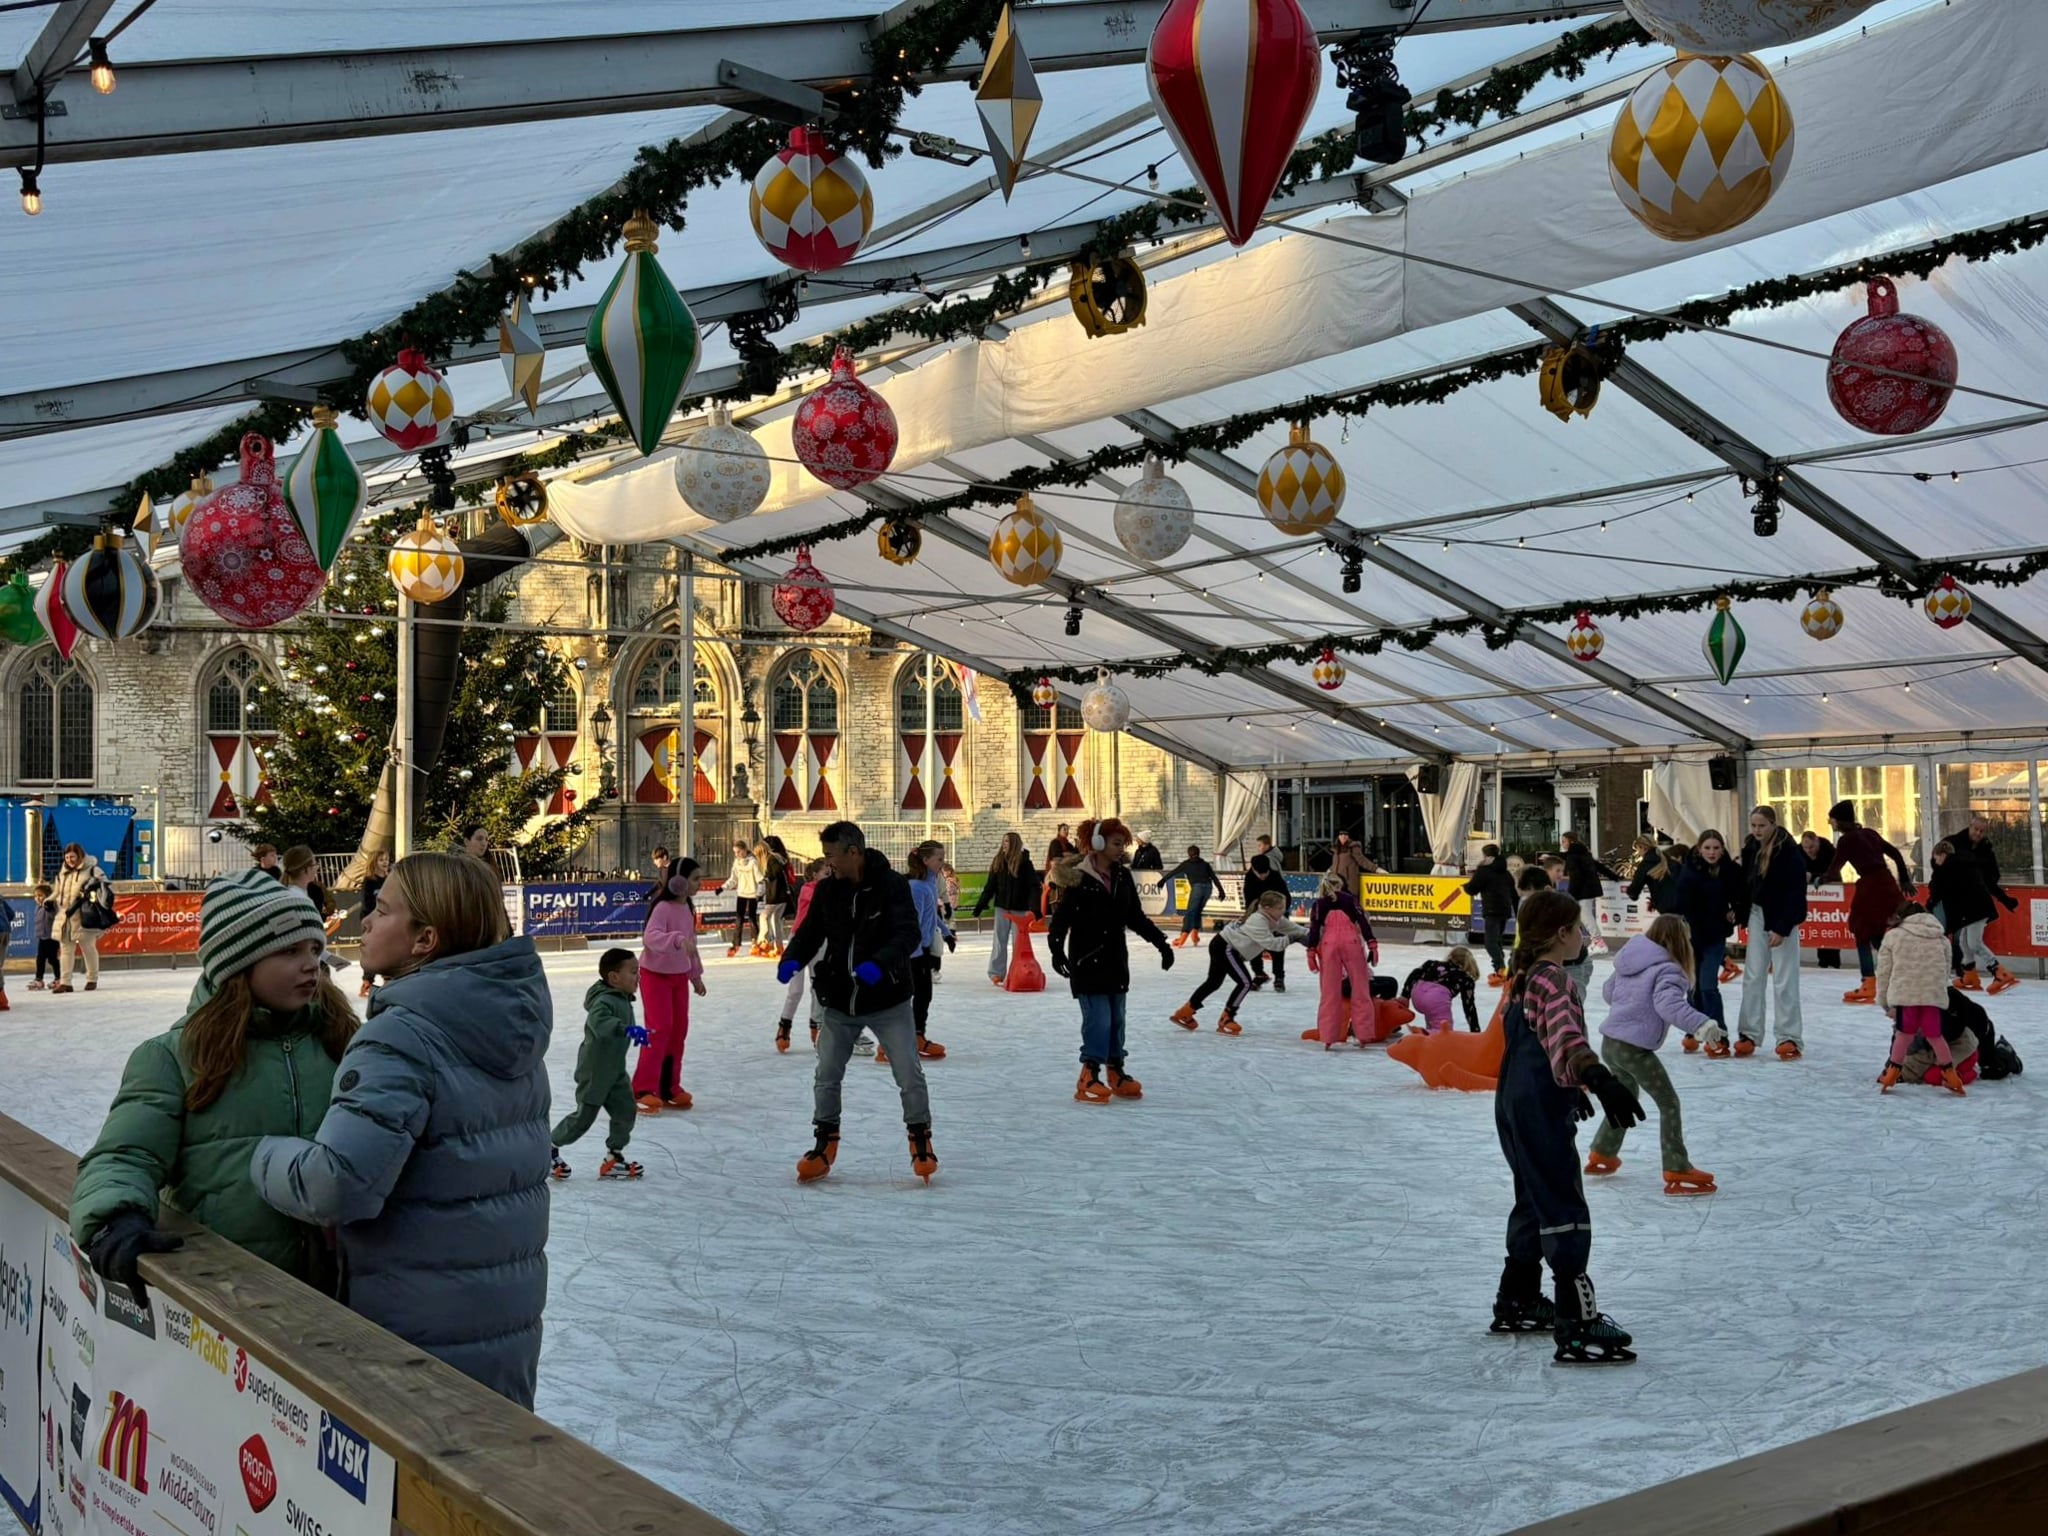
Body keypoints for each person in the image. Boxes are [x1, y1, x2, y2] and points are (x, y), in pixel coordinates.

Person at [251, 850, 553, 1408]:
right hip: (500, 1334)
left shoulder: (403, 1036)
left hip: (413, 1343)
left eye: (383, 910)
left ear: (425, 940)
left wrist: (261, 1154)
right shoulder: (508, 1031)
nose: (365, 920)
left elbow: (337, 1185)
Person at [70, 870, 354, 1301]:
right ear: (237, 963)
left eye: (315, 948)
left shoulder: (342, 1041)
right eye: (289, 950)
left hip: (341, 1293)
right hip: (228, 1291)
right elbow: (127, 1153)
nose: (310, 963)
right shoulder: (173, 1057)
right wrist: (118, 1216)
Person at [1489, 889, 1644, 1363]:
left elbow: (1541, 1042)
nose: (1582, 936)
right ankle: (1577, 1322)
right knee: (1561, 1201)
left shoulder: (1523, 976)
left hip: (1513, 1101)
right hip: (1536, 1107)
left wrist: (1571, 1087)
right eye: (1578, 928)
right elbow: (1566, 1036)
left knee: (1532, 1196)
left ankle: (1517, 1298)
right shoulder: (1553, 979)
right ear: (1561, 933)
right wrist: (1598, 1078)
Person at [776, 821, 938, 1182]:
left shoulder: (891, 885)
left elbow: (908, 933)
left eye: (830, 855)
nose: (827, 862)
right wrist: (792, 958)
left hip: (887, 998)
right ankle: (824, 1142)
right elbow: (810, 932)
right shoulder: (827, 890)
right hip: (839, 1000)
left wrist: (880, 964)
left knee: (908, 1072)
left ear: (853, 852)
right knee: (826, 1074)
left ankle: (920, 1138)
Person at [1584, 914, 1716, 1195]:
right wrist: (1702, 1025)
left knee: (1626, 1095)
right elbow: (1668, 1005)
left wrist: (1632, 997)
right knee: (1669, 1103)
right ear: (1679, 941)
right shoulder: (1668, 970)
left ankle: (1603, 1151)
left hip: (1611, 1044)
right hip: (1633, 1049)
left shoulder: (1630, 961)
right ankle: (1676, 1166)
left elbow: (1609, 992)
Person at [1047, 816, 1173, 1102]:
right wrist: (1056, 949)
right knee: (1099, 1020)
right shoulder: (1079, 878)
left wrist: (1161, 944)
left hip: (1115, 960)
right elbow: (1062, 919)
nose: (1121, 849)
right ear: (1098, 842)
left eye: (1123, 844)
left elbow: (1135, 917)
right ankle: (1088, 1075)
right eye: (1117, 843)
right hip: (1087, 961)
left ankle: (1116, 1070)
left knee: (1117, 1019)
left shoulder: (1122, 877)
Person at [551, 949, 649, 1181]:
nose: (638, 977)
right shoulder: (604, 1001)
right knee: (583, 1117)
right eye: (633, 972)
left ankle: (613, 1158)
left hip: (615, 1070)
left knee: (626, 1110)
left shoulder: (622, 998)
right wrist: (625, 1028)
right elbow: (599, 1022)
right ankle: (547, 1149)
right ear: (614, 978)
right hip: (595, 1070)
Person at [1169, 890, 1305, 1036]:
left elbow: (1296, 929)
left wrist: (1314, 934)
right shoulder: (1258, 920)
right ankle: (1227, 1018)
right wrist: (1293, 938)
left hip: (1221, 944)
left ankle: (1185, 1012)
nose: (1283, 911)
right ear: (1267, 908)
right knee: (1245, 983)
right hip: (1226, 947)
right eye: (1280, 908)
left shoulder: (1273, 918)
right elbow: (1272, 944)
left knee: (1213, 982)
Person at [1735, 806, 1808, 1059]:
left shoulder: (1788, 851)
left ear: (1773, 824)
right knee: (1753, 975)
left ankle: (1789, 1037)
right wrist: (1739, 911)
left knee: (1785, 978)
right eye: (1753, 825)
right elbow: (1745, 883)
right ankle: (1749, 1033)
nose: (1757, 830)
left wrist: (1782, 927)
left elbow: (1795, 892)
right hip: (1757, 913)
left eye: (1762, 825)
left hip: (1781, 917)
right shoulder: (1750, 847)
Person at [635, 856, 705, 1112]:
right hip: (655, 975)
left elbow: (691, 945)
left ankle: (668, 1086)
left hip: (679, 976)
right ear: (678, 881)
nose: (699, 884)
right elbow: (650, 937)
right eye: (695, 879)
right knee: (659, 1029)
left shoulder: (687, 908)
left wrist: (695, 975)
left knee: (678, 1031)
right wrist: (676, 939)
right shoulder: (663, 907)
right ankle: (643, 1088)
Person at [1826, 800, 1912, 1007]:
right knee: (1876, 934)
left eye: (1832, 820)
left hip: (1870, 887)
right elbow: (1895, 853)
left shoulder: (1846, 840)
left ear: (1840, 821)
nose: (1831, 823)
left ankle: (1869, 982)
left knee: (1861, 931)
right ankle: (1892, 979)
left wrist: (1820, 878)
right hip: (1887, 883)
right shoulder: (1870, 834)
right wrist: (1904, 879)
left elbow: (1835, 867)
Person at [1875, 902, 1967, 1095]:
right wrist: (1938, 992)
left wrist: (1884, 1001)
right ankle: (1950, 1074)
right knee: (1935, 1036)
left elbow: (1884, 972)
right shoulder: (1941, 938)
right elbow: (1945, 971)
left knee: (1903, 1035)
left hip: (1905, 996)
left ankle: (1892, 1072)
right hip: (1932, 996)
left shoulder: (1893, 936)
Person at [1671, 830, 1744, 1054]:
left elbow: (1742, 896)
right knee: (1693, 987)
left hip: (1715, 936)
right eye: (1707, 848)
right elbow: (1681, 903)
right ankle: (1694, 1030)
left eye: (1716, 848)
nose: (1712, 852)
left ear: (1722, 849)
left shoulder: (1730, 871)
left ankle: (1719, 1035)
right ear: (1699, 849)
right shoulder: (1689, 871)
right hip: (1691, 937)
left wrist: (1736, 911)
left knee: (1708, 986)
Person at [1305, 871, 1378, 1048]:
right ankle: (1364, 1034)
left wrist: (1311, 951)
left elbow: (1314, 929)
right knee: (1360, 990)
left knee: (1329, 993)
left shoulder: (1319, 904)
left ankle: (1328, 1036)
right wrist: (1372, 943)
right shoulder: (1350, 899)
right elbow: (1363, 921)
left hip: (1329, 945)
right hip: (1351, 943)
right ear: (1340, 885)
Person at [894, 840, 952, 1061]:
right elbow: (913, 922)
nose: (942, 863)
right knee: (915, 995)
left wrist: (946, 932)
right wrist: (915, 951)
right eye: (939, 859)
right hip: (912, 952)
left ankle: (912, 1037)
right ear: (926, 860)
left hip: (922, 949)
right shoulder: (916, 887)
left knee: (923, 994)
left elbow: (931, 915)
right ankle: (904, 1041)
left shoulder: (929, 883)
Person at [1928, 839, 2000, 995]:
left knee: (1974, 943)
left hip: (1977, 910)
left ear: (1942, 855)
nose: (1935, 862)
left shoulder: (1950, 868)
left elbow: (1942, 891)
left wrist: (1931, 903)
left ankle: (1998, 971)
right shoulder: (1960, 863)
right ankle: (1970, 975)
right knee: (1963, 942)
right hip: (1973, 909)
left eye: (1936, 858)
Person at [776, 859, 828, 1053]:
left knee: (817, 987)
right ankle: (785, 1024)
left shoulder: (829, 890)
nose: (829, 877)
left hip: (819, 941)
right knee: (796, 990)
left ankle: (816, 1026)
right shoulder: (808, 889)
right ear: (814, 875)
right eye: (825, 874)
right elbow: (819, 901)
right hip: (799, 941)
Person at [973, 833, 1039, 987]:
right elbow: (990, 886)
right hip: (1002, 908)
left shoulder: (1025, 863)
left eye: (1007, 841)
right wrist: (981, 904)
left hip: (1019, 909)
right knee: (999, 940)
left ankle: (1018, 970)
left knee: (1019, 942)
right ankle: (996, 973)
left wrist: (1035, 907)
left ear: (1014, 843)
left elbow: (1034, 887)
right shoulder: (998, 861)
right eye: (1003, 841)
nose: (1004, 844)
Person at [51, 842, 110, 993]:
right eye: (67, 857)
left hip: (85, 916)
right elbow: (56, 892)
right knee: (65, 950)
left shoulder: (93, 870)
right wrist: (48, 901)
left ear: (80, 856)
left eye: (73, 857)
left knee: (88, 948)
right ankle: (65, 982)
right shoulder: (62, 874)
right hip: (65, 917)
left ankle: (92, 979)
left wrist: (92, 891)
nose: (70, 860)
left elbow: (105, 888)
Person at [1464, 845, 1518, 986]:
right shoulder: (1506, 873)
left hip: (1492, 909)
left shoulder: (1484, 871)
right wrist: (1517, 911)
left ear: (1486, 856)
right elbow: (1514, 893)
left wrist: (1465, 886)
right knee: (1497, 940)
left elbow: (1472, 889)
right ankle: (1500, 968)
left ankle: (1500, 968)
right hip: (1505, 910)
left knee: (1490, 942)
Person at [1560, 832, 1620, 957]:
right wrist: (1614, 876)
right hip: (1590, 888)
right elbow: (1597, 865)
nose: (1562, 844)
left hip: (1583, 890)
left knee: (1585, 915)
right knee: (1582, 916)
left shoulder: (1573, 855)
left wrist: (1571, 896)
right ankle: (1591, 942)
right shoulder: (1582, 852)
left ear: (1571, 841)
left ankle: (1598, 942)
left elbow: (1576, 876)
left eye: (1564, 841)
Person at [1242, 852, 1292, 991]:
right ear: (1254, 870)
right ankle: (1259, 974)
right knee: (1254, 945)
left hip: (1276, 917)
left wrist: (1280, 913)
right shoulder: (1250, 878)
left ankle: (1279, 977)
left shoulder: (1275, 877)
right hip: (1257, 917)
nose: (1263, 876)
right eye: (1260, 874)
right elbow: (1249, 901)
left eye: (1266, 873)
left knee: (1277, 946)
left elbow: (1286, 898)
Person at [1402, 949, 1483, 1033]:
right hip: (1436, 999)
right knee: (1444, 1031)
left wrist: (1405, 996)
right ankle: (1424, 1033)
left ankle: (1428, 1033)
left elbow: (1414, 975)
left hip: (1417, 994)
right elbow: (1469, 1006)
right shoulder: (1465, 978)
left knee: (1433, 1017)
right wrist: (1475, 1030)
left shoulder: (1431, 963)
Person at [1160, 843, 1218, 947]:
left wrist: (1163, 880)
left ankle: (1182, 938)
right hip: (1208, 888)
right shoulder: (1205, 864)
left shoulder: (1186, 864)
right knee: (1197, 912)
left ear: (1189, 854)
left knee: (1190, 912)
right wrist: (1221, 891)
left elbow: (1173, 872)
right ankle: (1195, 936)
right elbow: (1214, 878)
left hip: (1197, 888)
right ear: (1198, 853)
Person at [1800, 830, 1839, 971]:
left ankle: (1834, 962)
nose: (1808, 851)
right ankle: (1822, 962)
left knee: (1831, 926)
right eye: (1805, 848)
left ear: (1817, 842)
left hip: (1831, 891)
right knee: (1819, 925)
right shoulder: (1799, 852)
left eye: (1811, 847)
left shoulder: (1829, 850)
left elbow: (1834, 871)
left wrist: (1813, 876)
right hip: (1813, 893)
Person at [358, 849, 392, 998]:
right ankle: (367, 981)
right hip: (372, 920)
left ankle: (388, 978)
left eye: (386, 859)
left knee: (389, 949)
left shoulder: (391, 879)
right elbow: (367, 904)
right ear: (374, 862)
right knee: (372, 950)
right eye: (381, 860)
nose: (385, 862)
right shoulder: (369, 881)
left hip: (388, 920)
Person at [1624, 837, 1687, 917]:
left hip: (1667, 908)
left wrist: (1629, 891)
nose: (1638, 853)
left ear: (1643, 848)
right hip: (1684, 904)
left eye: (1637, 850)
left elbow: (1634, 891)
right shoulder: (1670, 861)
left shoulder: (1645, 865)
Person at [723, 840, 762, 957]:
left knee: (752, 918)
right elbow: (733, 879)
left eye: (739, 852)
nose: (737, 854)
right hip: (741, 893)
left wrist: (759, 893)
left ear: (745, 850)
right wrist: (724, 887)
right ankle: (736, 944)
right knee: (739, 919)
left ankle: (755, 942)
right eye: (735, 852)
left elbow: (760, 878)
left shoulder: (753, 862)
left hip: (752, 894)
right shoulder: (737, 862)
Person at [756, 836, 793, 957]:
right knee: (775, 921)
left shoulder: (771, 859)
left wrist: (766, 878)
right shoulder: (778, 857)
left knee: (764, 916)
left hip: (775, 896)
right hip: (781, 895)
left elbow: (775, 873)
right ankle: (778, 946)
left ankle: (764, 942)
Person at [28, 882, 56, 991]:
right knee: (40, 959)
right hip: (42, 937)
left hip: (51, 937)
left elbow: (53, 917)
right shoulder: (38, 908)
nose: (37, 898)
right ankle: (39, 979)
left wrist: (49, 908)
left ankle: (59, 977)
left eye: (40, 895)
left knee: (53, 959)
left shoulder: (51, 907)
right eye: (35, 896)